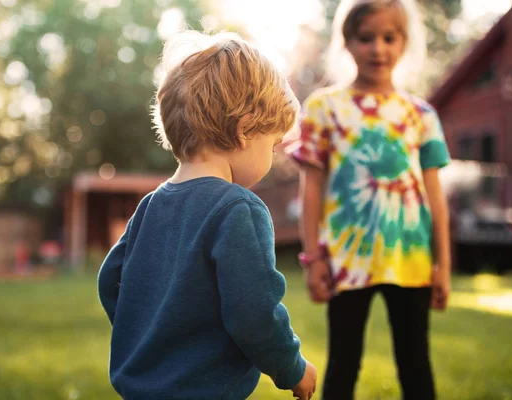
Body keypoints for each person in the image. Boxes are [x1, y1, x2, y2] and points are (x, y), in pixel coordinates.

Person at [98, 30, 317, 400]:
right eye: (273, 143)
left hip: (139, 387)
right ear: (246, 129)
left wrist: (146, 340)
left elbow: (110, 281)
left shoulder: (150, 205)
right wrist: (292, 367)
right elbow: (254, 312)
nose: (272, 157)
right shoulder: (238, 209)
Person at [286, 0, 451, 398]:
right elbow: (311, 189)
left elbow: (434, 196)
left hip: (408, 259)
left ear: (404, 43)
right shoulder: (324, 108)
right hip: (347, 257)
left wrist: (442, 263)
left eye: (389, 38)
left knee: (416, 364)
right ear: (347, 42)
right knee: (343, 364)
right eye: (366, 38)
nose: (378, 48)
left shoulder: (421, 114)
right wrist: (313, 259)